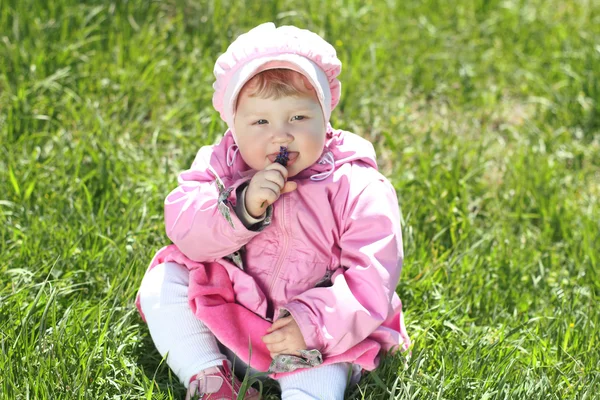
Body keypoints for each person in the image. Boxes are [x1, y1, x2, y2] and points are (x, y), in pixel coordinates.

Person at [136, 22, 410, 400]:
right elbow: (184, 226)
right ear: (234, 127)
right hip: (230, 313)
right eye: (260, 122)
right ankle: (209, 377)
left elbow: (372, 278)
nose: (280, 135)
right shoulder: (223, 164)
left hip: (315, 340)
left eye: (298, 118)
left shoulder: (357, 185)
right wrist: (241, 206)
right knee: (163, 281)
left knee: (321, 378)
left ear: (325, 116)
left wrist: (311, 324)